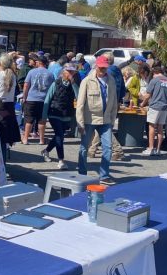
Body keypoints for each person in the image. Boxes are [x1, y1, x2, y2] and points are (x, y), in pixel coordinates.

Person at [76, 55, 118, 185]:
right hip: (90, 119)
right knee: (84, 147)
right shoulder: (87, 81)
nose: (103, 70)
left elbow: (114, 101)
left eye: (105, 68)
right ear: (96, 66)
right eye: (101, 68)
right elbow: (80, 103)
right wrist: (80, 122)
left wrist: (112, 119)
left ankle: (104, 175)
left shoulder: (111, 80)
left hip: (105, 120)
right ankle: (82, 173)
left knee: (108, 147)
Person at [42, 64, 79, 169]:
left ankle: (46, 151)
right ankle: (61, 160)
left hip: (66, 114)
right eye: (68, 71)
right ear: (64, 72)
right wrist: (44, 116)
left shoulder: (74, 84)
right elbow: (48, 99)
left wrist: (73, 83)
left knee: (59, 136)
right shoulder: (56, 83)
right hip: (54, 113)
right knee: (59, 136)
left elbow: (79, 96)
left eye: (72, 72)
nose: (70, 74)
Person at [141, 67, 167, 156]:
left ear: (154, 73)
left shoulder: (154, 80)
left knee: (152, 127)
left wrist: (142, 103)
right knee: (160, 128)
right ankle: (158, 149)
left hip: (155, 106)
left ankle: (151, 148)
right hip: (165, 106)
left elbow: (147, 95)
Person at [21, 54, 54, 145]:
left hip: (31, 98)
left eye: (36, 62)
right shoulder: (50, 74)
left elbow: (26, 85)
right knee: (42, 120)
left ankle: (25, 139)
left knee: (28, 120)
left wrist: (24, 97)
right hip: (44, 100)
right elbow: (52, 88)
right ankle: (41, 140)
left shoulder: (31, 72)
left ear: (39, 62)